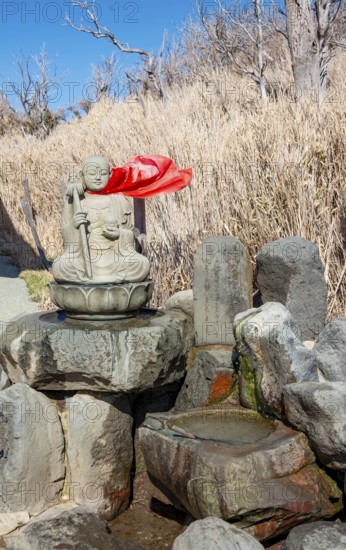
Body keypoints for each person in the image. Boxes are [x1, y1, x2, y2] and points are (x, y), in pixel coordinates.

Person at [52, 154, 192, 284]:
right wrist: (74, 226)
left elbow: (130, 232)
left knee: (142, 265)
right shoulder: (76, 201)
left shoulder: (118, 200)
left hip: (114, 258)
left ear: (110, 174)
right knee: (60, 266)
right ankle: (103, 281)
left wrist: (119, 234)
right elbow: (67, 239)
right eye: (92, 174)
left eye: (103, 173)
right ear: (82, 175)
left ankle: (97, 281)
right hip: (85, 260)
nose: (97, 178)